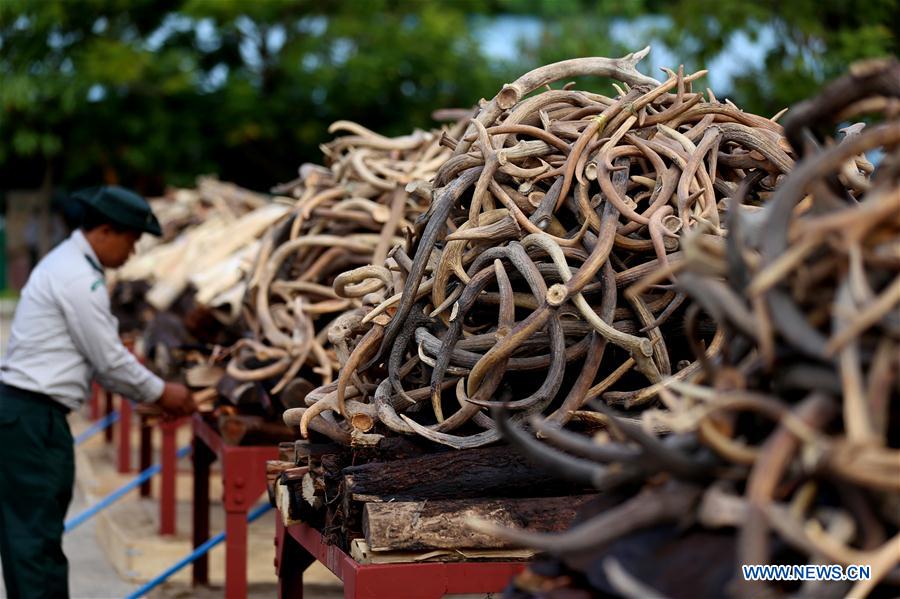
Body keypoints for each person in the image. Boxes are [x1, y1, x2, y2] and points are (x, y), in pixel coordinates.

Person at [0, 186, 195, 599]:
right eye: (131, 240)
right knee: (32, 544)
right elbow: (108, 358)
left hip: (31, 416)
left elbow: (96, 361)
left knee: (40, 540)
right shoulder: (77, 277)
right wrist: (163, 392)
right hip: (32, 420)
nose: (132, 252)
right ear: (105, 231)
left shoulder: (69, 265)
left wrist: (142, 395)